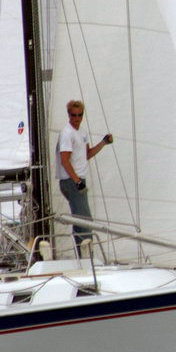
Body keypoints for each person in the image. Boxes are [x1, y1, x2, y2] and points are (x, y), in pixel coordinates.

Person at [56, 100, 113, 256]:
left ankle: (83, 257)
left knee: (81, 220)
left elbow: (87, 154)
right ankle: (86, 258)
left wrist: (103, 143)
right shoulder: (67, 134)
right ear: (69, 115)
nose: (77, 118)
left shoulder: (82, 132)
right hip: (72, 181)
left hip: (78, 180)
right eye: (73, 115)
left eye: (80, 115)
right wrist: (77, 181)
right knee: (84, 222)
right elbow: (64, 160)